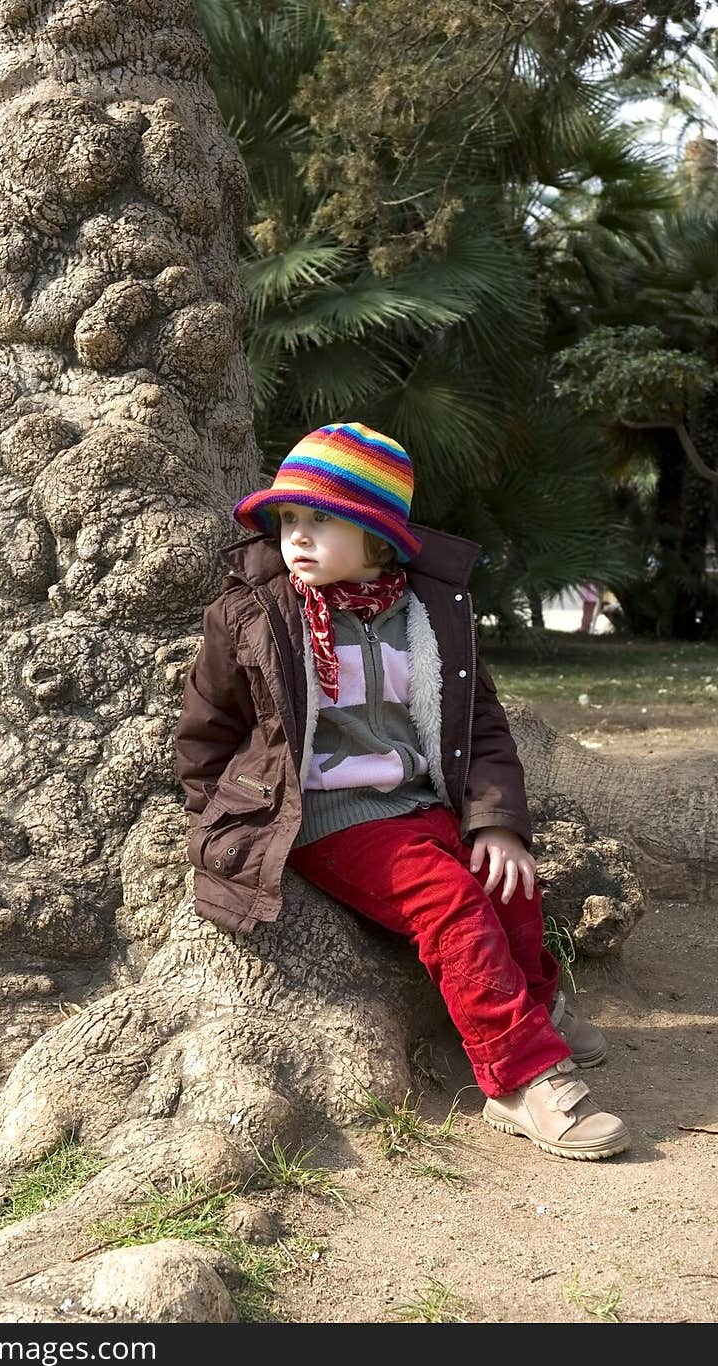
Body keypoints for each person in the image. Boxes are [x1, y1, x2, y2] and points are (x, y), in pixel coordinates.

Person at [175, 422, 629, 1162]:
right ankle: (519, 1077)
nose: (297, 536)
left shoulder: (429, 614)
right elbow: (205, 731)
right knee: (449, 905)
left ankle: (536, 1004)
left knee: (506, 881)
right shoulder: (255, 614)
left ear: (379, 536)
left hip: (421, 801)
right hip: (329, 815)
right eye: (288, 519)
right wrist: (218, 823)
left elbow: (480, 724)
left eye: (321, 519)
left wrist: (496, 823)